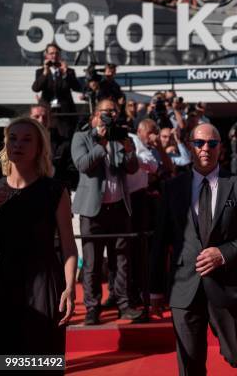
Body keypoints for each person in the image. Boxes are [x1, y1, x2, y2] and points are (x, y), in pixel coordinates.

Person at [150, 123, 237, 375]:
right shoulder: (173, 187)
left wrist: (223, 253)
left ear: (220, 148)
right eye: (199, 143)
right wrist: (155, 289)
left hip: (226, 285)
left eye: (212, 143)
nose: (205, 148)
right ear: (189, 147)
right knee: (190, 365)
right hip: (184, 287)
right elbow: (160, 241)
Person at [0, 117, 77, 363]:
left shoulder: (54, 191)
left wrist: (70, 287)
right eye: (12, 138)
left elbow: (68, 244)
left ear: (40, 148)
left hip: (44, 286)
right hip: (2, 284)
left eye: (26, 139)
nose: (17, 144)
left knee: (42, 361)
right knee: (6, 361)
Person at [71, 98, 142, 325]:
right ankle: (92, 309)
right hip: (93, 211)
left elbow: (131, 169)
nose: (110, 115)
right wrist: (100, 144)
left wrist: (130, 151)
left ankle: (123, 304)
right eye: (106, 111)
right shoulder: (82, 137)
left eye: (113, 111)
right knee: (91, 263)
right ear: (95, 114)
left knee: (121, 260)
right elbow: (83, 165)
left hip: (119, 207)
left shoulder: (120, 136)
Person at [31, 43, 83, 138]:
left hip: (64, 113)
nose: (54, 56)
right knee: (47, 139)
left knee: (66, 140)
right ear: (46, 55)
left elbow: (77, 88)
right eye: (51, 53)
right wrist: (45, 72)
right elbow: (36, 88)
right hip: (47, 112)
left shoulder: (69, 71)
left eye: (56, 53)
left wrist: (65, 74)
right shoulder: (41, 71)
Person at [29, 104, 78, 190]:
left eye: (45, 117)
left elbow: (74, 176)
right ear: (29, 119)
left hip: (54, 193)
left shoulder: (64, 144)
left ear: (50, 119)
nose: (41, 120)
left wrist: (53, 170)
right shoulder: (19, 142)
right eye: (36, 116)